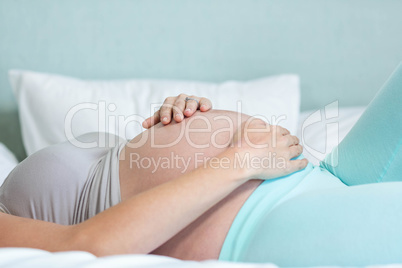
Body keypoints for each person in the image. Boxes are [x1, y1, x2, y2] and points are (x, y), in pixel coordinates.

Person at [0, 62, 401, 267]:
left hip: (319, 176)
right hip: (263, 223)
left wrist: (176, 121)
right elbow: (88, 247)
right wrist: (237, 161)